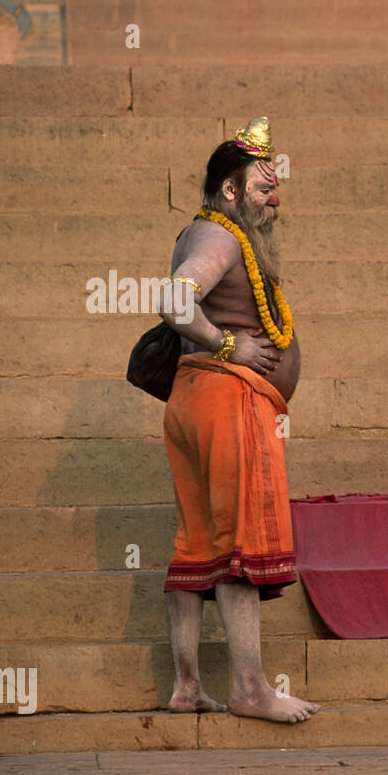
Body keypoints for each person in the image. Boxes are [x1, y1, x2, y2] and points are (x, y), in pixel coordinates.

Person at [151, 117, 318, 723]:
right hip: (225, 399)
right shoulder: (219, 238)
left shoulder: (206, 233)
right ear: (229, 190)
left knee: (199, 544)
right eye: (262, 188)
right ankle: (251, 688)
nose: (274, 200)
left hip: (195, 403)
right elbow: (173, 301)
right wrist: (230, 346)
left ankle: (187, 687)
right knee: (239, 545)